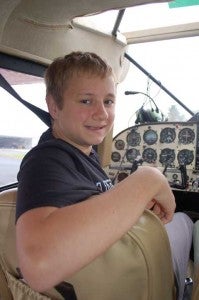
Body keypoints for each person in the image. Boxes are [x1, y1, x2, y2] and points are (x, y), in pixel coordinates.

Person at [16, 51, 193, 299]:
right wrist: (148, 179)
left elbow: (91, 205)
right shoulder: (47, 160)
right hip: (117, 277)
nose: (102, 114)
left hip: (117, 263)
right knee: (189, 222)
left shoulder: (83, 156)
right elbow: (38, 265)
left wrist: (135, 205)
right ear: (54, 106)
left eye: (108, 101)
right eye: (86, 101)